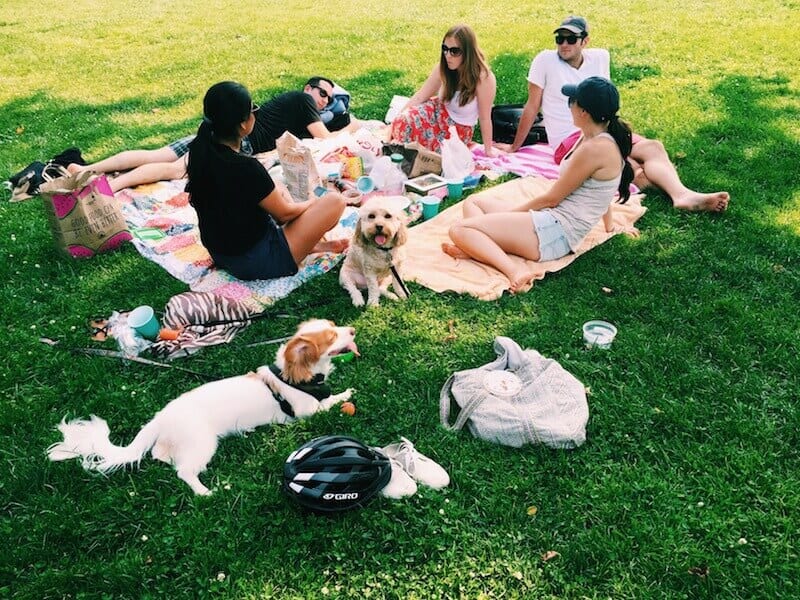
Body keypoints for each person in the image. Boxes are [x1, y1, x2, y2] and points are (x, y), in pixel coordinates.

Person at [497, 15, 729, 212]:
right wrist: (515, 147)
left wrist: (616, 132)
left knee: (653, 147)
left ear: (585, 41)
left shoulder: (599, 58)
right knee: (632, 166)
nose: (564, 44)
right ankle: (677, 192)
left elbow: (605, 101)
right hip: (571, 140)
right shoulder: (545, 60)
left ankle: (682, 195)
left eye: (571, 39)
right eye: (560, 39)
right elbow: (531, 106)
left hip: (601, 128)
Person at [442, 77, 638, 293]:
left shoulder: (596, 149)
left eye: (572, 101)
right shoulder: (594, 136)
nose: (569, 105)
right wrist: (610, 227)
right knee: (474, 202)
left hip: (556, 233)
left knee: (459, 229)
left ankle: (513, 270)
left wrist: (513, 215)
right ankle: (481, 245)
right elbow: (601, 193)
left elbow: (551, 199)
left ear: (584, 112)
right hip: (550, 222)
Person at [69, 77, 353, 193]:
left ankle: (86, 168)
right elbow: (324, 139)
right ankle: (110, 188)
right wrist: (353, 126)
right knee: (176, 169)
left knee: (159, 154)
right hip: (237, 139)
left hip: (217, 127)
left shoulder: (296, 106)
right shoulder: (303, 102)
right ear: (308, 89)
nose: (326, 100)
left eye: (330, 97)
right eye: (323, 93)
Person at [185, 81, 348, 281]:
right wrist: (313, 201)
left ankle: (312, 245)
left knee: (278, 187)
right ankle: (302, 247)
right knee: (335, 201)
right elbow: (284, 215)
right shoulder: (245, 167)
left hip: (222, 253)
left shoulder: (201, 151)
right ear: (243, 123)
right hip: (257, 261)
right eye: (253, 110)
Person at [389, 24, 497, 156]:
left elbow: (485, 118)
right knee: (403, 122)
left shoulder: (483, 77)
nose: (448, 55)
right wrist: (395, 122)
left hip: (457, 130)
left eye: (454, 51)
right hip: (436, 113)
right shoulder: (443, 68)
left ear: (468, 52)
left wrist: (488, 150)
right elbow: (420, 96)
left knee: (429, 154)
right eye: (445, 49)